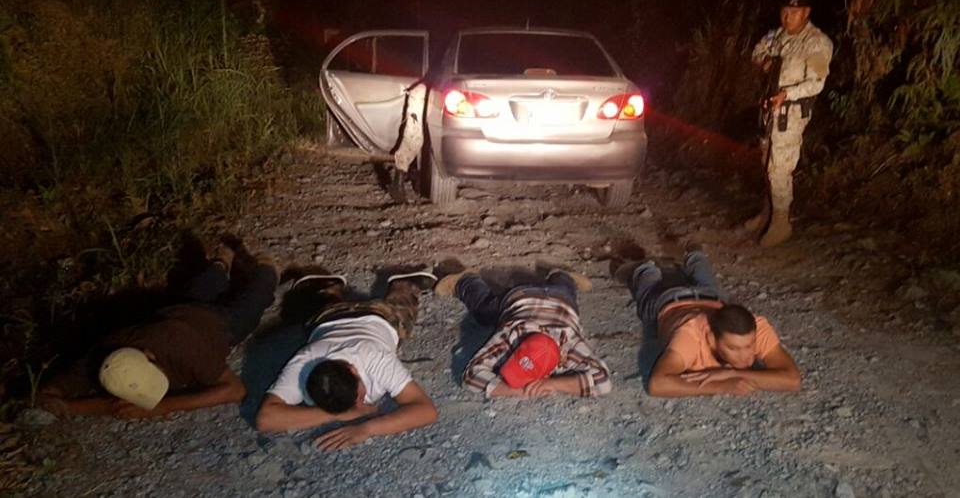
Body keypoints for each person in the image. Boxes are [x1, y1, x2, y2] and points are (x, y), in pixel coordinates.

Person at [38, 238, 278, 418]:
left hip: (217, 325)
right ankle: (220, 262)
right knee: (197, 291)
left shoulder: (181, 346)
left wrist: (164, 407)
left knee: (256, 299)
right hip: (175, 309)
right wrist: (68, 406)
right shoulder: (97, 359)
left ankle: (263, 266)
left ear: (150, 355)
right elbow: (48, 396)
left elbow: (234, 390)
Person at [255, 269, 438, 452]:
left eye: (357, 398)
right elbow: (265, 419)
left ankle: (404, 284)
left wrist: (367, 429)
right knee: (319, 311)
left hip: (377, 316)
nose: (359, 405)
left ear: (352, 369)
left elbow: (426, 411)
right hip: (330, 316)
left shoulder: (375, 358)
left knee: (402, 316)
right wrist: (338, 415)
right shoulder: (304, 362)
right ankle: (326, 288)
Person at [612, 243, 801, 397]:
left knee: (710, 285)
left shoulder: (755, 326)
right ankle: (645, 267)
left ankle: (695, 255)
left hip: (709, 299)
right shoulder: (690, 335)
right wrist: (721, 386)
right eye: (733, 348)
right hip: (668, 299)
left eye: (750, 346)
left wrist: (733, 373)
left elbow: (792, 380)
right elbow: (657, 385)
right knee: (647, 286)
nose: (745, 357)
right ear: (711, 337)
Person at [436, 260, 612, 399]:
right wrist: (514, 391)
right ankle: (464, 281)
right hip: (521, 296)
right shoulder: (511, 334)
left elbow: (604, 382)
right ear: (517, 348)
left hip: (559, 299)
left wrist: (554, 384)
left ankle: (563, 276)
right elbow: (471, 377)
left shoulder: (569, 344)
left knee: (564, 294)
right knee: (487, 314)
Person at [747, 0, 834, 246]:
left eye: (794, 12)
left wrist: (788, 93)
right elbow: (757, 52)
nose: (787, 16)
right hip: (770, 108)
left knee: (780, 167)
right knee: (766, 162)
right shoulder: (778, 36)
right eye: (784, 11)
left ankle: (781, 222)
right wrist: (765, 61)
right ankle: (767, 213)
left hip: (792, 113)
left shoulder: (817, 42)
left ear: (806, 13)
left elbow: (817, 83)